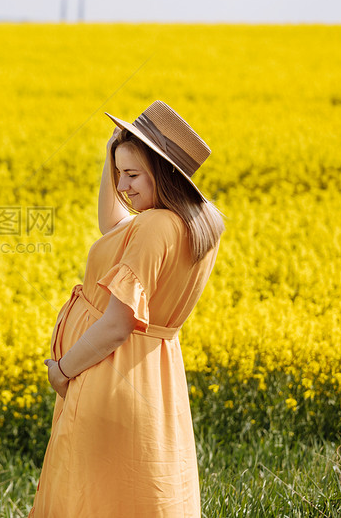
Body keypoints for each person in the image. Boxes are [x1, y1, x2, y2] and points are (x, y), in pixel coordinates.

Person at [29, 100, 225, 517]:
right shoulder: (196, 222)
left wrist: (62, 369)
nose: (122, 186)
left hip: (111, 376)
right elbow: (111, 223)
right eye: (120, 174)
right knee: (140, 496)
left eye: (133, 175)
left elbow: (118, 324)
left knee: (89, 501)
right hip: (152, 376)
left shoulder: (155, 227)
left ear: (164, 172)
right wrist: (114, 153)